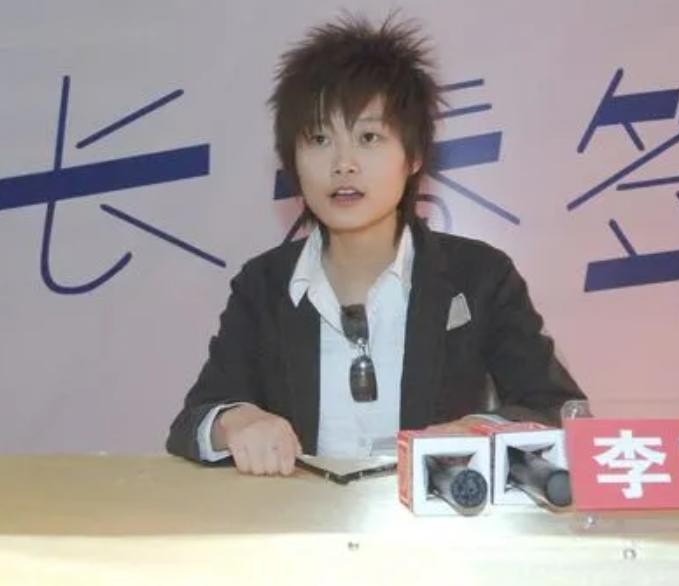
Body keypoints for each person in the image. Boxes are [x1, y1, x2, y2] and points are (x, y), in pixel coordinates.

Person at [166, 14, 585, 476]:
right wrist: (235, 421)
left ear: (414, 156)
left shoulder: (480, 275)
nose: (343, 164)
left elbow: (559, 410)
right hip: (298, 518)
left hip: (436, 517)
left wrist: (477, 432)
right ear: (292, 161)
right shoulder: (263, 284)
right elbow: (194, 420)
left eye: (368, 138)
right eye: (319, 139)